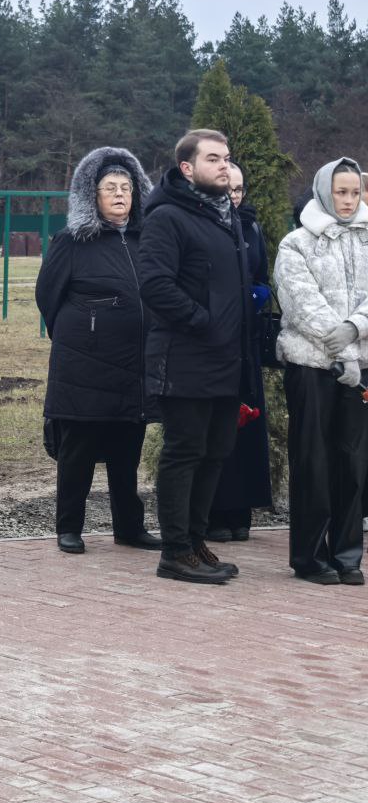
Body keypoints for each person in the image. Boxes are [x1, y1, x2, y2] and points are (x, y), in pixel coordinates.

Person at [138, 129, 250, 585]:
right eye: (213, 159)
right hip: (184, 356)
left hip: (226, 358)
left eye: (227, 158)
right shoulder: (167, 216)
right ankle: (175, 552)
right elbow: (155, 285)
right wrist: (203, 321)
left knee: (215, 452)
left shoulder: (225, 216)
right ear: (187, 168)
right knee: (185, 452)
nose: (225, 166)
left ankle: (196, 542)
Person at [36, 147, 162, 555]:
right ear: (92, 195)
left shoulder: (147, 240)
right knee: (79, 450)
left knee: (127, 451)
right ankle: (69, 527)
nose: (120, 194)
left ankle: (129, 527)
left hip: (135, 364)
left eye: (126, 187)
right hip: (84, 366)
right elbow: (48, 297)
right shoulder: (72, 241)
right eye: (110, 187)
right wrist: (82, 334)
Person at [272, 157, 368, 585]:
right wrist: (342, 347)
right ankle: (310, 557)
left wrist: (356, 327)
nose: (347, 200)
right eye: (340, 191)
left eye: (354, 192)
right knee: (313, 460)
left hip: (361, 366)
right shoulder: (296, 243)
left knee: (353, 462)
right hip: (311, 364)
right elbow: (301, 302)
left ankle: (347, 555)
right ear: (323, 190)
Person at [205, 163, 273, 542]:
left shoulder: (251, 226)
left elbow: (262, 276)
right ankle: (214, 512)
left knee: (246, 425)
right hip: (212, 341)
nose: (233, 196)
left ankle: (241, 510)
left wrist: (256, 295)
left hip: (246, 341)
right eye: (227, 188)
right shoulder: (199, 226)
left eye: (239, 189)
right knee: (216, 427)